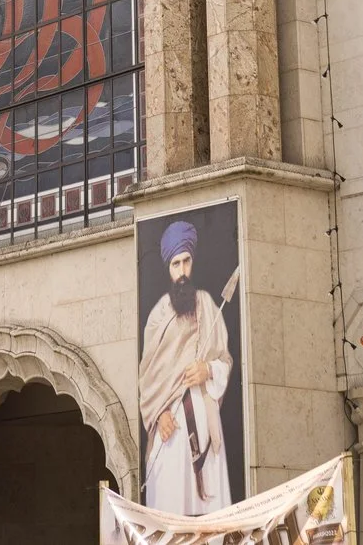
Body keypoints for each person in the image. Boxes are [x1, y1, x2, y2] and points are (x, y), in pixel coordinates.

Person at [136, 219, 234, 514]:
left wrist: (208, 370)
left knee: (211, 521)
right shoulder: (157, 317)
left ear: (193, 262)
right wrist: (158, 416)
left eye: (186, 261)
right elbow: (148, 382)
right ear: (168, 268)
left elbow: (225, 361)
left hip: (206, 426)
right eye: (175, 264)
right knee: (170, 515)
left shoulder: (207, 305)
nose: (182, 271)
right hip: (172, 431)